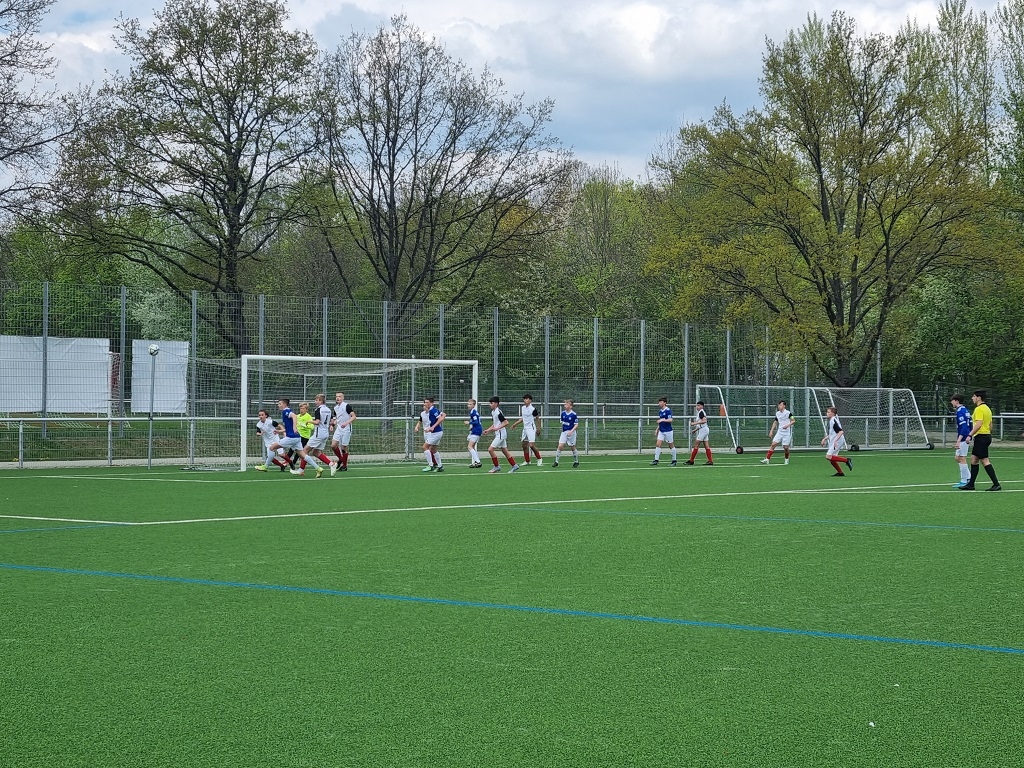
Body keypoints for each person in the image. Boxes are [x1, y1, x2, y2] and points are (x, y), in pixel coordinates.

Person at [960, 390, 1001, 491]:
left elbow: (978, 424)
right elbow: (990, 424)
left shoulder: (979, 409)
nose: (972, 398)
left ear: (979, 397)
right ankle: (971, 484)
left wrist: (970, 435)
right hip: (985, 436)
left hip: (981, 437)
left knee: (985, 460)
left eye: (974, 396)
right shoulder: (987, 408)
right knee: (974, 459)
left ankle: (996, 484)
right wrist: (988, 433)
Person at [271, 398, 322, 477]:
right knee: (302, 455)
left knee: (272, 447)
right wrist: (280, 431)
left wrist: (295, 427)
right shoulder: (290, 413)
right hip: (297, 437)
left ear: (284, 404)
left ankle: (266, 466)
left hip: (292, 437)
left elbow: (294, 416)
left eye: (280, 404)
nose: (278, 405)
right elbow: (290, 426)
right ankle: (318, 468)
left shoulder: (286, 411)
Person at [297, 394, 338, 477]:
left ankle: (301, 470)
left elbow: (317, 422)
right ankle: (331, 464)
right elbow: (332, 421)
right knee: (316, 452)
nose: (315, 402)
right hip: (325, 433)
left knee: (304, 450)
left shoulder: (318, 410)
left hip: (318, 434)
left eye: (316, 400)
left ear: (321, 401)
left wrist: (309, 421)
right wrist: (331, 425)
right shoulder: (328, 410)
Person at [483, 396, 519, 474]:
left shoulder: (498, 413)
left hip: (500, 434)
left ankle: (496, 466)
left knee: (490, 449)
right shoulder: (493, 412)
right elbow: (495, 424)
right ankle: (514, 465)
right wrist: (488, 430)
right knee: (504, 451)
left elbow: (506, 422)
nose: (490, 404)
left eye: (491, 403)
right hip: (499, 433)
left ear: (496, 404)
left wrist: (497, 428)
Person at [413, 397, 446, 472]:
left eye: (427, 402)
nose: (425, 404)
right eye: (424, 403)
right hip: (435, 432)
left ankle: (431, 465)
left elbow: (440, 418)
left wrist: (433, 427)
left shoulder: (432, 411)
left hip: (436, 433)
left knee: (425, 447)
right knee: (433, 449)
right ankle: (440, 466)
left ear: (431, 403)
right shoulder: (430, 411)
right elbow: (443, 415)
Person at [509, 394, 543, 466]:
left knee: (531, 445)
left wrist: (538, 428)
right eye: (524, 399)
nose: (525, 400)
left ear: (530, 400)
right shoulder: (523, 408)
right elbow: (523, 418)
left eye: (527, 399)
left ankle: (539, 458)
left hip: (531, 428)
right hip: (525, 428)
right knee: (524, 445)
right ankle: (527, 461)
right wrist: (515, 424)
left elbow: (537, 418)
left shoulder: (533, 409)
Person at [820, 406, 852, 477]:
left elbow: (841, 432)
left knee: (828, 456)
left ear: (833, 413)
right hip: (836, 441)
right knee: (832, 459)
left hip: (838, 441)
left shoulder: (833, 421)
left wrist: (835, 441)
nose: (827, 413)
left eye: (828, 412)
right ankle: (840, 472)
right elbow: (833, 433)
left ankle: (847, 460)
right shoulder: (832, 420)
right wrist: (825, 439)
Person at [762, 400, 796, 465]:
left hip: (787, 433)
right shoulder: (777, 413)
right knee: (773, 444)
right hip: (780, 432)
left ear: (784, 406)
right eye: (778, 405)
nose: (779, 406)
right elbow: (775, 422)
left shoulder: (788, 413)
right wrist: (771, 431)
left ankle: (786, 459)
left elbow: (793, 420)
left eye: (780, 405)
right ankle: (767, 459)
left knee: (785, 447)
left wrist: (787, 425)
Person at [331, 391, 357, 471]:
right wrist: (332, 425)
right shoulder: (335, 408)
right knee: (333, 445)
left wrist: (346, 423)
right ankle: (341, 459)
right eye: (336, 396)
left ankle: (344, 466)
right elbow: (336, 419)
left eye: (339, 396)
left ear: (343, 398)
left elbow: (354, 416)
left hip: (346, 429)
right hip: (339, 428)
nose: (337, 398)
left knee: (343, 447)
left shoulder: (346, 406)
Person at [950, 394, 972, 488]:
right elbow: (970, 424)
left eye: (952, 401)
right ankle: (969, 477)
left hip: (963, 438)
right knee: (958, 457)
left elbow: (964, 427)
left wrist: (959, 440)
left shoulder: (960, 411)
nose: (951, 402)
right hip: (965, 437)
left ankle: (964, 480)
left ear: (956, 401)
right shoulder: (965, 410)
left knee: (961, 458)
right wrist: (970, 436)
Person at [650, 397, 677, 466]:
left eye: (661, 402)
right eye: (659, 402)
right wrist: (657, 429)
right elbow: (660, 422)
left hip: (668, 431)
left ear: (665, 403)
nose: (659, 403)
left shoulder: (668, 410)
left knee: (671, 445)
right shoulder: (660, 411)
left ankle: (674, 460)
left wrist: (662, 420)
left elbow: (670, 420)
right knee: (658, 444)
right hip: (661, 431)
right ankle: (656, 460)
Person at [552, 399, 579, 468]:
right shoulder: (562, 413)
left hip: (571, 432)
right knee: (560, 445)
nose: (565, 406)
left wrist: (571, 431)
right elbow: (562, 422)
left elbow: (576, 425)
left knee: (572, 447)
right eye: (565, 404)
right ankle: (556, 461)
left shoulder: (573, 414)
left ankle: (576, 461)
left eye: (567, 404)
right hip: (564, 432)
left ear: (571, 406)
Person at [685, 401, 713, 465]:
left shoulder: (701, 412)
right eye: (697, 405)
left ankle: (691, 460)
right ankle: (710, 461)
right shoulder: (700, 412)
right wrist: (695, 430)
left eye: (699, 405)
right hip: (704, 429)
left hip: (703, 430)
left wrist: (694, 423)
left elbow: (704, 421)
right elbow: (701, 424)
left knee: (696, 445)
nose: (697, 407)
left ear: (702, 406)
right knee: (706, 446)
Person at [464, 398, 483, 468]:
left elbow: (476, 422)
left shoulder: (473, 412)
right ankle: (476, 462)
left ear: (474, 405)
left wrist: (469, 422)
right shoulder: (473, 412)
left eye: (470, 404)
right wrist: (472, 427)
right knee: (472, 447)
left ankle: (478, 461)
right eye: (468, 404)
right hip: (476, 430)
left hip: (476, 431)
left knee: (469, 446)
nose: (468, 405)